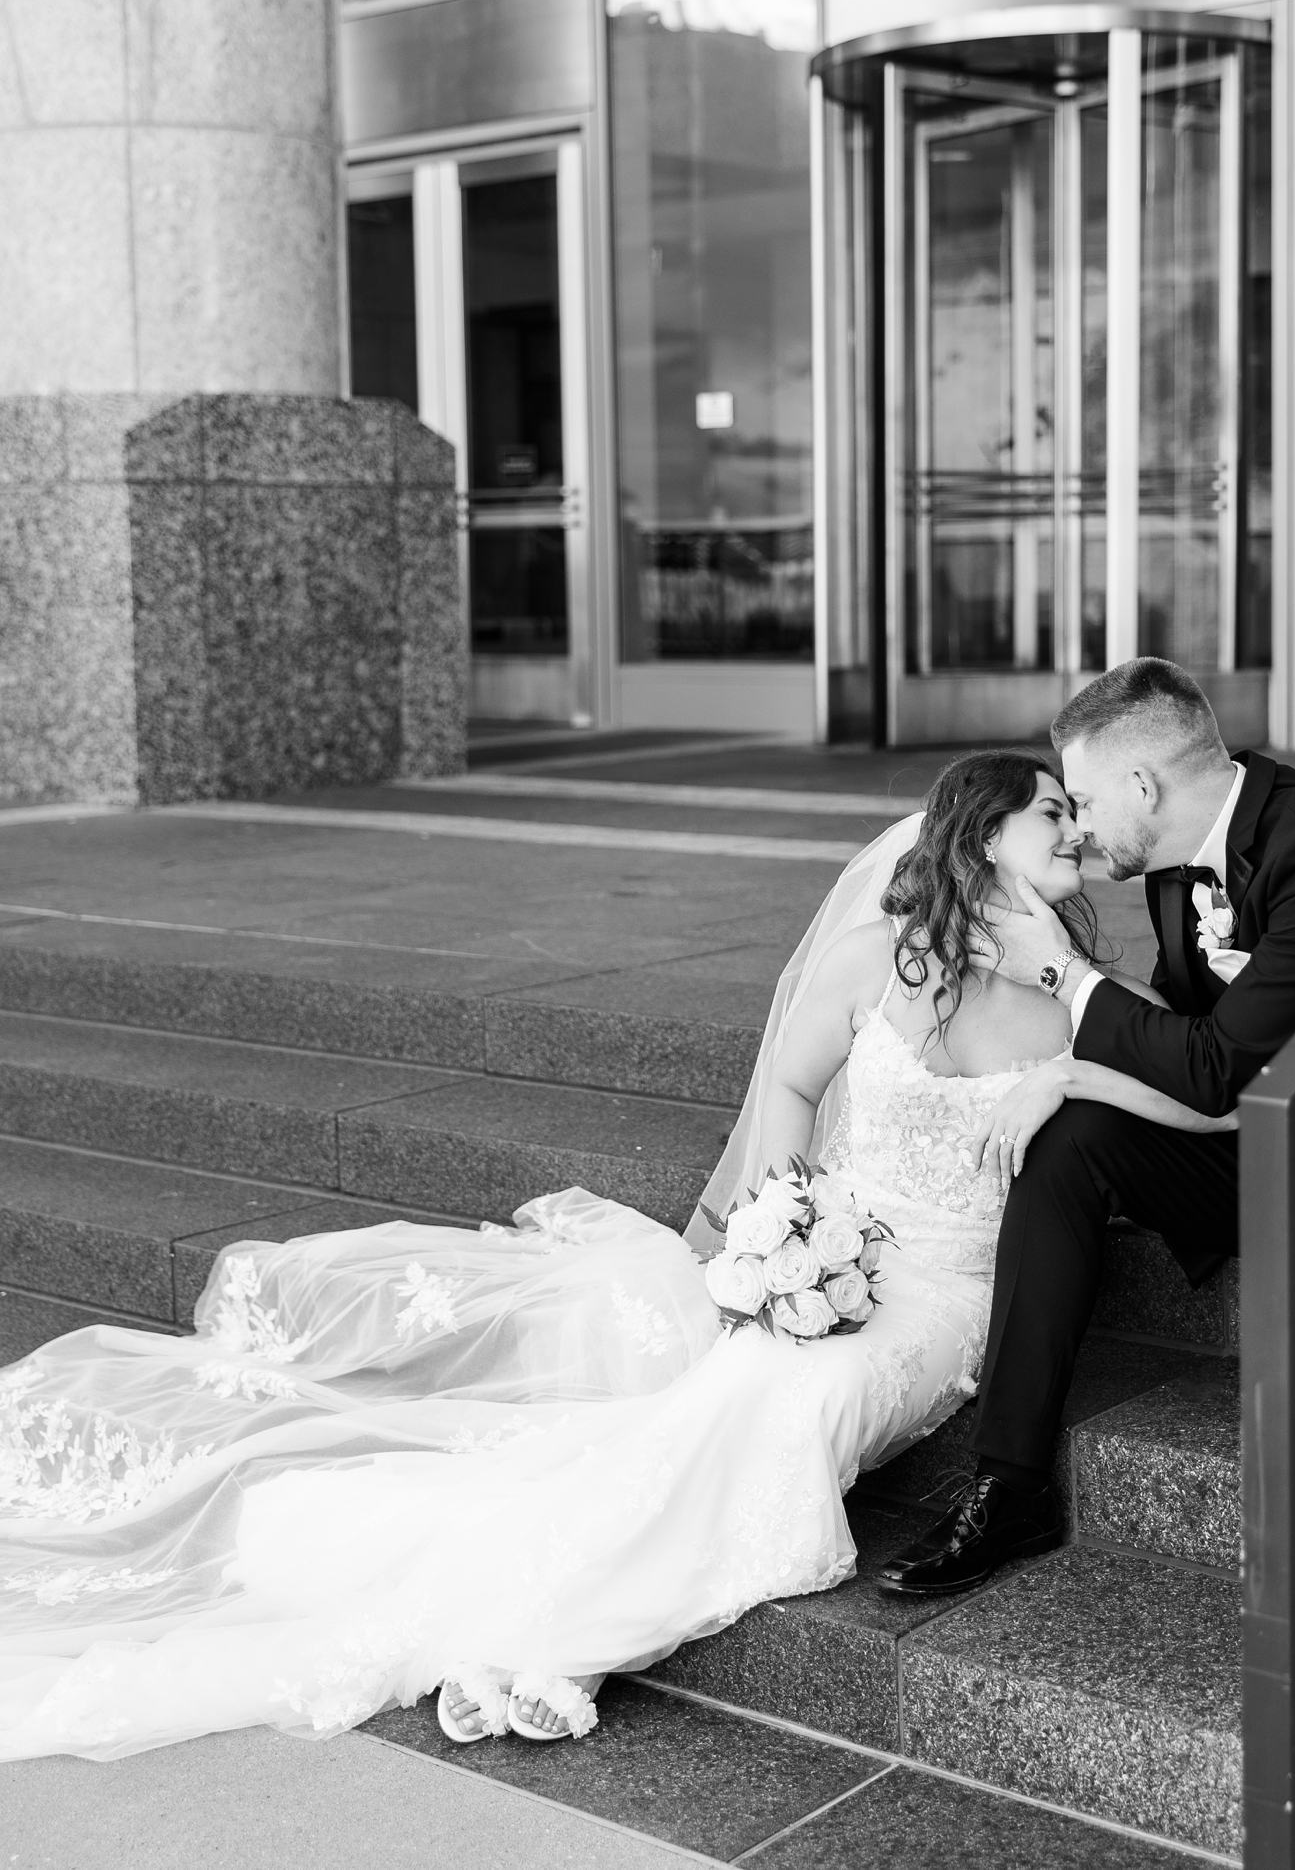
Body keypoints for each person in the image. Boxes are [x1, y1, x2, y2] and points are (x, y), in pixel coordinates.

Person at [0, 748, 1221, 1761]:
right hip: (840, 1253)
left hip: (948, 1293)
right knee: (749, 1384)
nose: (1076, 826)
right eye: (1052, 811)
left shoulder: (1073, 986)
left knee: (809, 1402)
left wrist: (1064, 1066)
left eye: (1075, 807)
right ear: (980, 838)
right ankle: (550, 1624)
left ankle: (563, 1636)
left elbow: (1202, 1098)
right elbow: (790, 1091)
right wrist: (788, 1231)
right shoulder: (875, 959)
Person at [875, 660, 1295, 1707]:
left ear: (1147, 789)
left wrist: (1062, 980)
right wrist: (1074, 1076)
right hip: (1249, 1131)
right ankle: (1011, 1483)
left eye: (1083, 799)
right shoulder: (1170, 861)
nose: (1076, 828)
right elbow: (1178, 1038)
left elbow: (1216, 1065)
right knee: (1070, 1139)